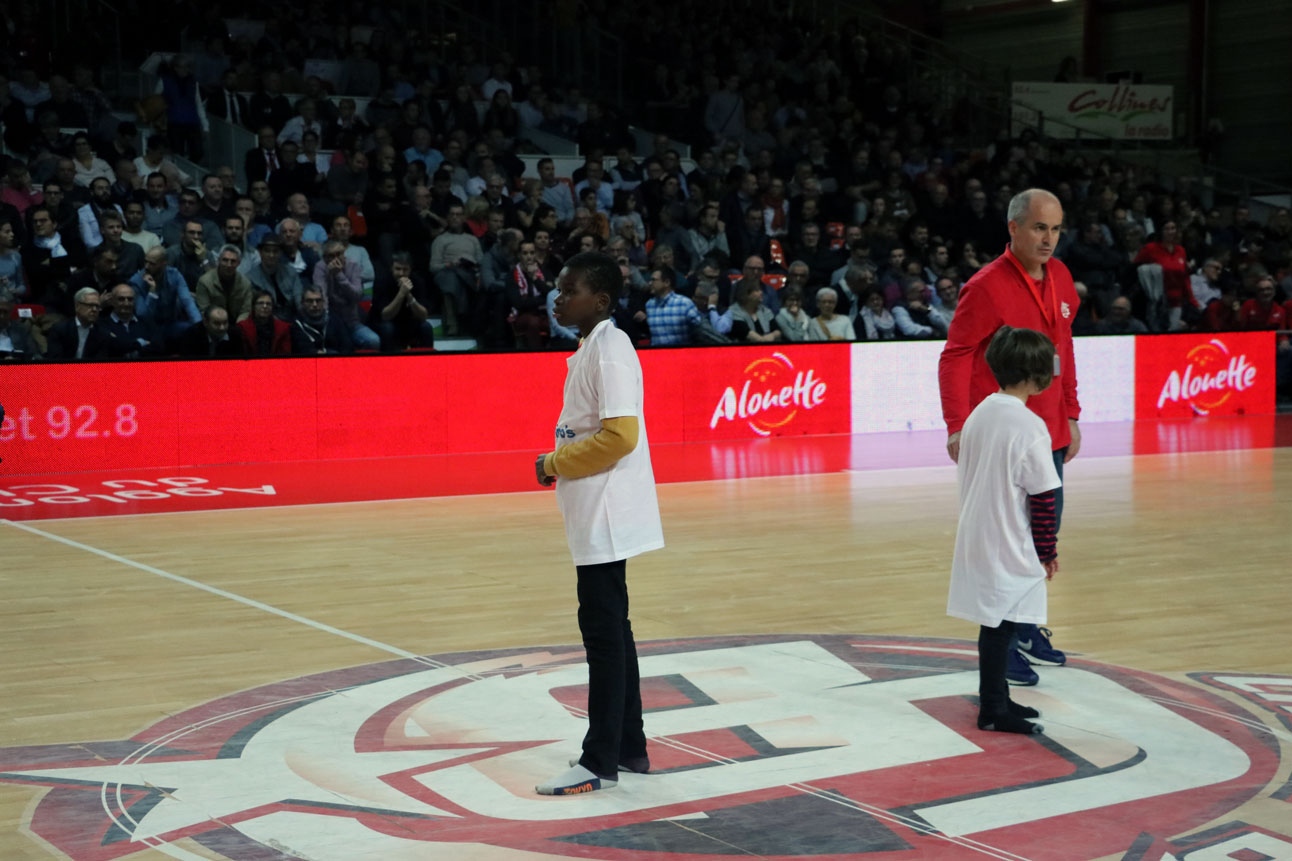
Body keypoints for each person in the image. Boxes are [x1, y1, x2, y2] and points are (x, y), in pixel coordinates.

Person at [939, 188, 1081, 686]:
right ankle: (1005, 641)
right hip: (1004, 431)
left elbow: (1064, 349)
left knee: (1044, 533)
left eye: (1056, 228)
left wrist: (1073, 412)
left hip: (1049, 430)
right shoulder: (984, 286)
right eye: (1040, 228)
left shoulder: (1062, 277)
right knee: (1008, 543)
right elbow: (955, 355)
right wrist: (956, 425)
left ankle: (1025, 627)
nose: (1049, 238)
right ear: (1014, 228)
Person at [533, 251, 663, 796]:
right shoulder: (594, 346)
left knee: (603, 636)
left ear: (601, 301)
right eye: (559, 289)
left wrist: (553, 463)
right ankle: (629, 747)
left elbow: (620, 436)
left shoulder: (611, 350)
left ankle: (597, 761)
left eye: (570, 290)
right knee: (617, 630)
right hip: (598, 510)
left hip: (606, 512)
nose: (559, 298)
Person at [948, 325, 1061, 736]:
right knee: (1001, 627)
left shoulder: (980, 412)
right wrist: (1047, 550)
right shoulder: (1029, 425)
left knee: (996, 624)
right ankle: (993, 709)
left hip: (979, 530)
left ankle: (997, 697)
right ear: (1037, 372)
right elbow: (1044, 495)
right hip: (1009, 536)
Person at [315, 240, 380, 349]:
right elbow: (322, 295)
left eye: (339, 254)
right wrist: (325, 319)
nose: (336, 259)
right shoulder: (320, 267)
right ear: (325, 258)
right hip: (331, 320)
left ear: (344, 254)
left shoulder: (353, 266)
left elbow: (357, 295)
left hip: (351, 321)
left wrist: (339, 275)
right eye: (331, 256)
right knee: (344, 345)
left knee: (374, 341)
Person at [370, 253, 435, 351]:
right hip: (384, 322)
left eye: (405, 270)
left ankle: (426, 362)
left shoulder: (417, 281)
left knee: (426, 327)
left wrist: (409, 295)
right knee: (388, 329)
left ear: (410, 270)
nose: (401, 273)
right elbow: (385, 315)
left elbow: (423, 315)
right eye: (398, 269)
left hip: (408, 322)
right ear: (391, 268)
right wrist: (401, 294)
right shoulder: (382, 281)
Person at [46, 286, 107, 359]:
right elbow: (55, 360)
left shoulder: (102, 333)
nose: (94, 309)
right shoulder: (60, 330)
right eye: (90, 305)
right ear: (77, 306)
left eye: (97, 306)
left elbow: (100, 363)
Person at [174, 305, 247, 357]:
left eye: (225, 323)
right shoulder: (192, 335)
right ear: (206, 322)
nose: (222, 328)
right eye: (217, 323)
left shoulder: (235, 335)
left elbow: (239, 361)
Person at [238, 289, 292, 355]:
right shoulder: (242, 327)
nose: (265, 306)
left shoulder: (283, 328)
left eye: (268, 304)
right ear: (253, 306)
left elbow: (285, 354)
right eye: (260, 303)